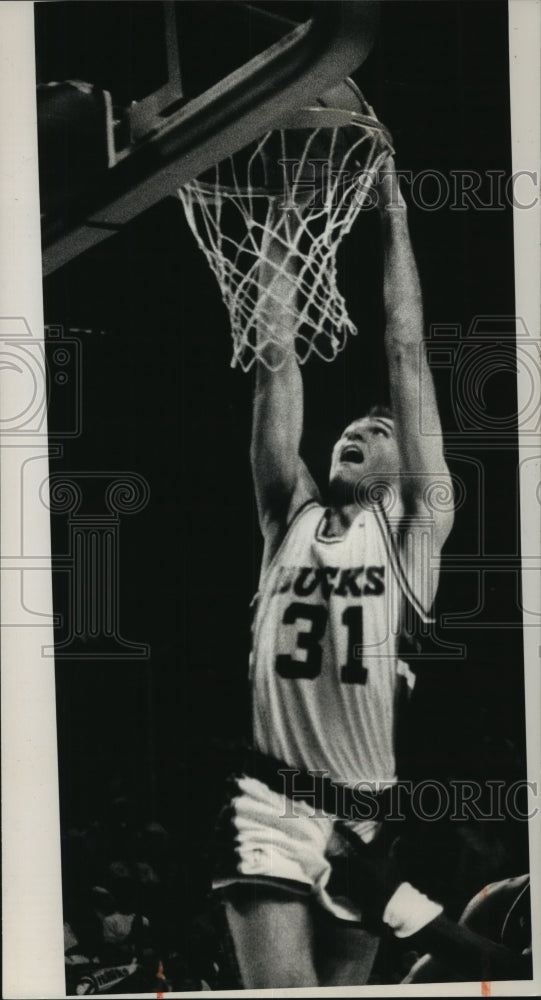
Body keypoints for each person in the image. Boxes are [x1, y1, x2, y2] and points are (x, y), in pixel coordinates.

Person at [214, 156, 455, 988]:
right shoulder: (292, 515)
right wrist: (284, 219)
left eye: (377, 429)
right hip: (271, 806)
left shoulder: (415, 529)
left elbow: (404, 346)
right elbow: (274, 359)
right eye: (349, 426)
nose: (357, 428)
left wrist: (390, 208)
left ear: (405, 459)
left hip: (367, 824)